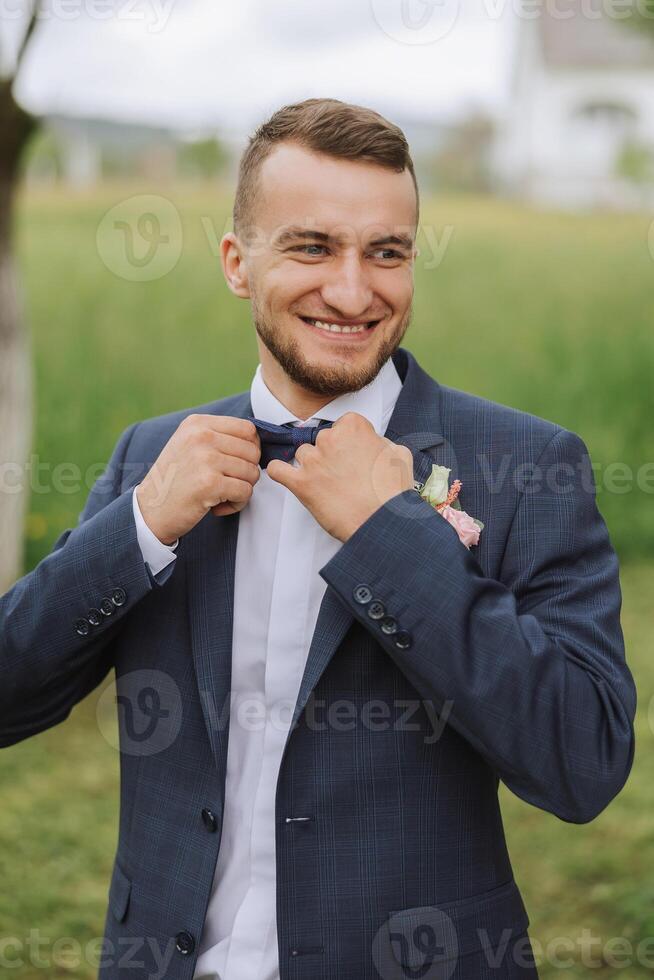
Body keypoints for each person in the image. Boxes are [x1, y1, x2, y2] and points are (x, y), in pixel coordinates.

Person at [0, 98, 636, 980]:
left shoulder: (528, 465)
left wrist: (393, 535)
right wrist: (141, 527)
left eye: (387, 253)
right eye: (311, 247)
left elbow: (583, 761)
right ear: (236, 262)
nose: (352, 291)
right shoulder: (152, 457)